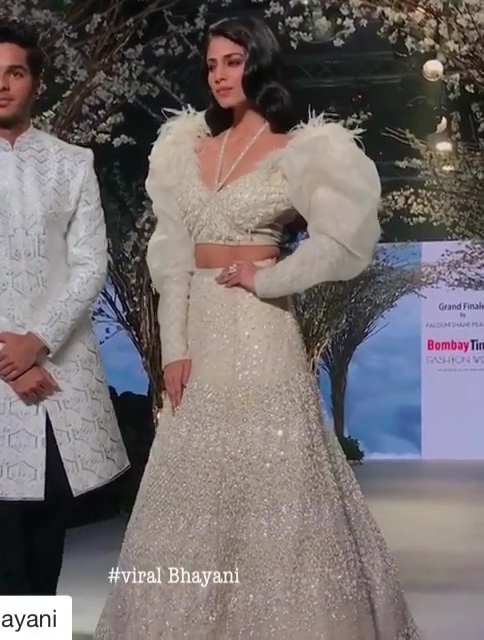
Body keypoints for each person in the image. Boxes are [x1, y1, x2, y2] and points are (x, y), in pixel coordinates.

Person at [94, 16, 420, 639]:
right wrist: (173, 348)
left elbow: (343, 242)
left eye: (233, 61)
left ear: (259, 63)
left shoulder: (299, 150)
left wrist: (269, 278)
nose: (219, 75)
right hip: (201, 329)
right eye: (212, 64)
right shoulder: (184, 150)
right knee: (195, 482)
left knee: (277, 472)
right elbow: (171, 260)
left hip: (262, 329)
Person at [0, 17, 129, 596]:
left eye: (14, 73)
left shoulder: (71, 164)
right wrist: (8, 358)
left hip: (60, 362)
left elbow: (90, 263)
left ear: (36, 82)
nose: (0, 84)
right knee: (4, 523)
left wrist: (38, 341)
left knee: (51, 516)